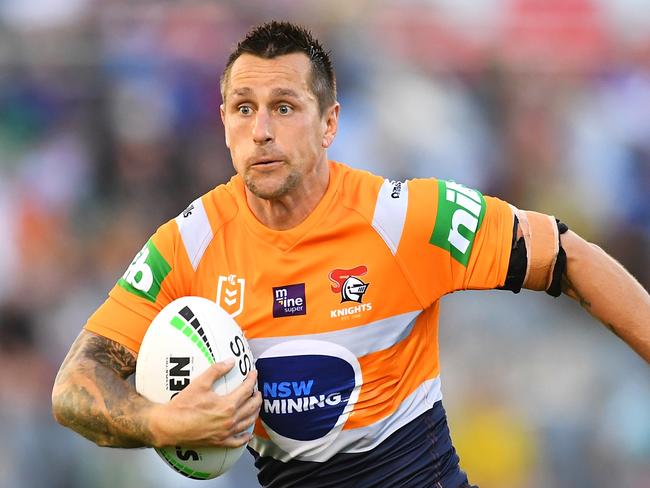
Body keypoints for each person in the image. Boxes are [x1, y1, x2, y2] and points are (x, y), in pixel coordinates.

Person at [51, 21, 650, 488]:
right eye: (243, 108)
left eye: (284, 107)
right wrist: (164, 422)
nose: (261, 130)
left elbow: (571, 258)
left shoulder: (404, 220)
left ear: (329, 122)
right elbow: (75, 386)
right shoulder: (189, 244)